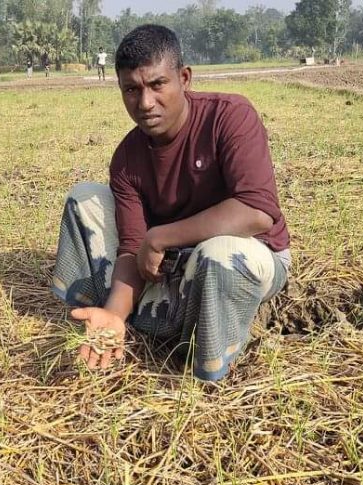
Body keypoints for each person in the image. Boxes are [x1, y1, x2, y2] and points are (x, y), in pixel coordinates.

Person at [51, 25, 291, 382]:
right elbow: (132, 249)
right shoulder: (127, 158)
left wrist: (161, 237)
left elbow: (257, 212)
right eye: (131, 89)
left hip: (250, 252)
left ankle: (208, 370)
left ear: (184, 78)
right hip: (176, 263)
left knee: (217, 254)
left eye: (157, 85)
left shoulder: (230, 116)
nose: (145, 103)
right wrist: (115, 316)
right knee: (84, 199)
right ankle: (101, 315)